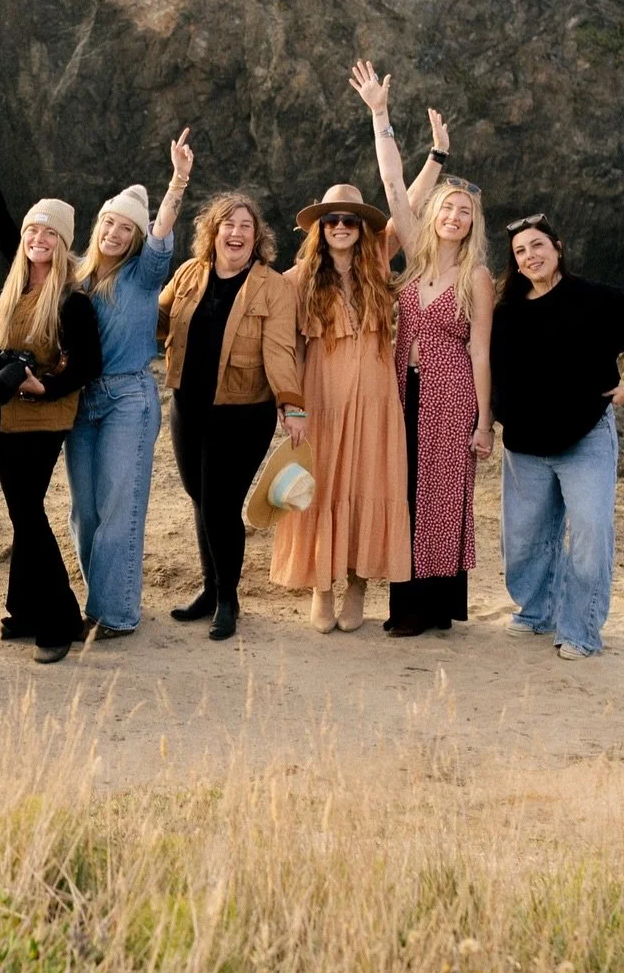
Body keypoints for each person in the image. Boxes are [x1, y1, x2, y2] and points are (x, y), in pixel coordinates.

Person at [270, 145, 446, 632]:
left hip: (375, 397)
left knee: (368, 484)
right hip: (321, 396)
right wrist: (293, 407)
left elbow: (405, 202)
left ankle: (357, 585)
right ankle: (322, 588)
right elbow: (290, 349)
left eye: (349, 219)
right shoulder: (297, 278)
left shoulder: (376, 265)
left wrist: (436, 157)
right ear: (320, 230)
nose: (341, 227)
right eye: (332, 221)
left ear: (361, 227)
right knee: (322, 486)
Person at [0, 100, 102, 662]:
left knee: (27, 512)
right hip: (3, 414)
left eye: (49, 232)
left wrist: (44, 386)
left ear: (63, 242)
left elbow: (88, 366)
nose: (37, 237)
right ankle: (21, 611)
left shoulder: (72, 298)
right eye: (32, 229)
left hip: (43, 416)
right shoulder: (16, 281)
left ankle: (59, 621)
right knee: (25, 510)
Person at [356, 60, 495, 636]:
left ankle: (431, 610)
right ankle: (404, 604)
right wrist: (381, 115)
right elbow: (392, 186)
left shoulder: (478, 277)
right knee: (402, 488)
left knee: (440, 494)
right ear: (433, 215)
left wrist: (485, 423)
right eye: (449, 208)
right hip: (400, 385)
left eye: (466, 212)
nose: (456, 216)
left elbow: (482, 352)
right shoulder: (411, 257)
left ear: (472, 223)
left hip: (451, 390)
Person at [491, 214, 624, 658]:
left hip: (586, 436)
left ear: (558, 248)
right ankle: (536, 613)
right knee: (523, 540)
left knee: (591, 534)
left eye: (537, 246)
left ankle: (580, 631)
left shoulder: (595, 299)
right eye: (520, 252)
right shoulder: (507, 311)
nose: (530, 256)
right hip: (525, 445)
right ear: (515, 264)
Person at [158, 192, 304, 641]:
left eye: (245, 226)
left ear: (257, 236)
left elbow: (279, 350)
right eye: (228, 224)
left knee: (220, 505)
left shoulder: (272, 286)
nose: (236, 232)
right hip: (189, 406)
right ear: (213, 231)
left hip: (244, 412)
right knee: (200, 498)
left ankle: (227, 599)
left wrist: (291, 404)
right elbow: (159, 318)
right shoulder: (188, 274)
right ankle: (208, 591)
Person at [66, 131, 193, 641]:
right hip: (81, 401)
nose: (115, 234)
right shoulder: (76, 277)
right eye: (109, 224)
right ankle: (102, 601)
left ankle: (113, 615)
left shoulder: (144, 273)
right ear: (98, 226)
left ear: (136, 237)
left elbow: (163, 230)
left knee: (121, 509)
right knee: (85, 512)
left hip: (128, 400)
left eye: (126, 228)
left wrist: (178, 180)